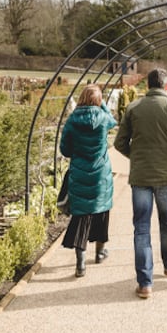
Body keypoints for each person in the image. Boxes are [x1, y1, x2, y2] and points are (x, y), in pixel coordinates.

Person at [114, 68, 167, 299]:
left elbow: (120, 142)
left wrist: (137, 158)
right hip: (166, 175)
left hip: (140, 176)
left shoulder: (133, 108)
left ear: (147, 86)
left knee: (141, 227)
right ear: (166, 86)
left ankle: (145, 282)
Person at [59, 84, 118, 278]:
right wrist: (102, 106)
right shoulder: (103, 119)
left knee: (81, 217)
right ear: (98, 100)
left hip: (80, 173)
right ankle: (100, 252)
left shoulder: (72, 120)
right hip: (101, 173)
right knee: (101, 212)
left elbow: (65, 150)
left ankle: (81, 264)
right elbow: (113, 120)